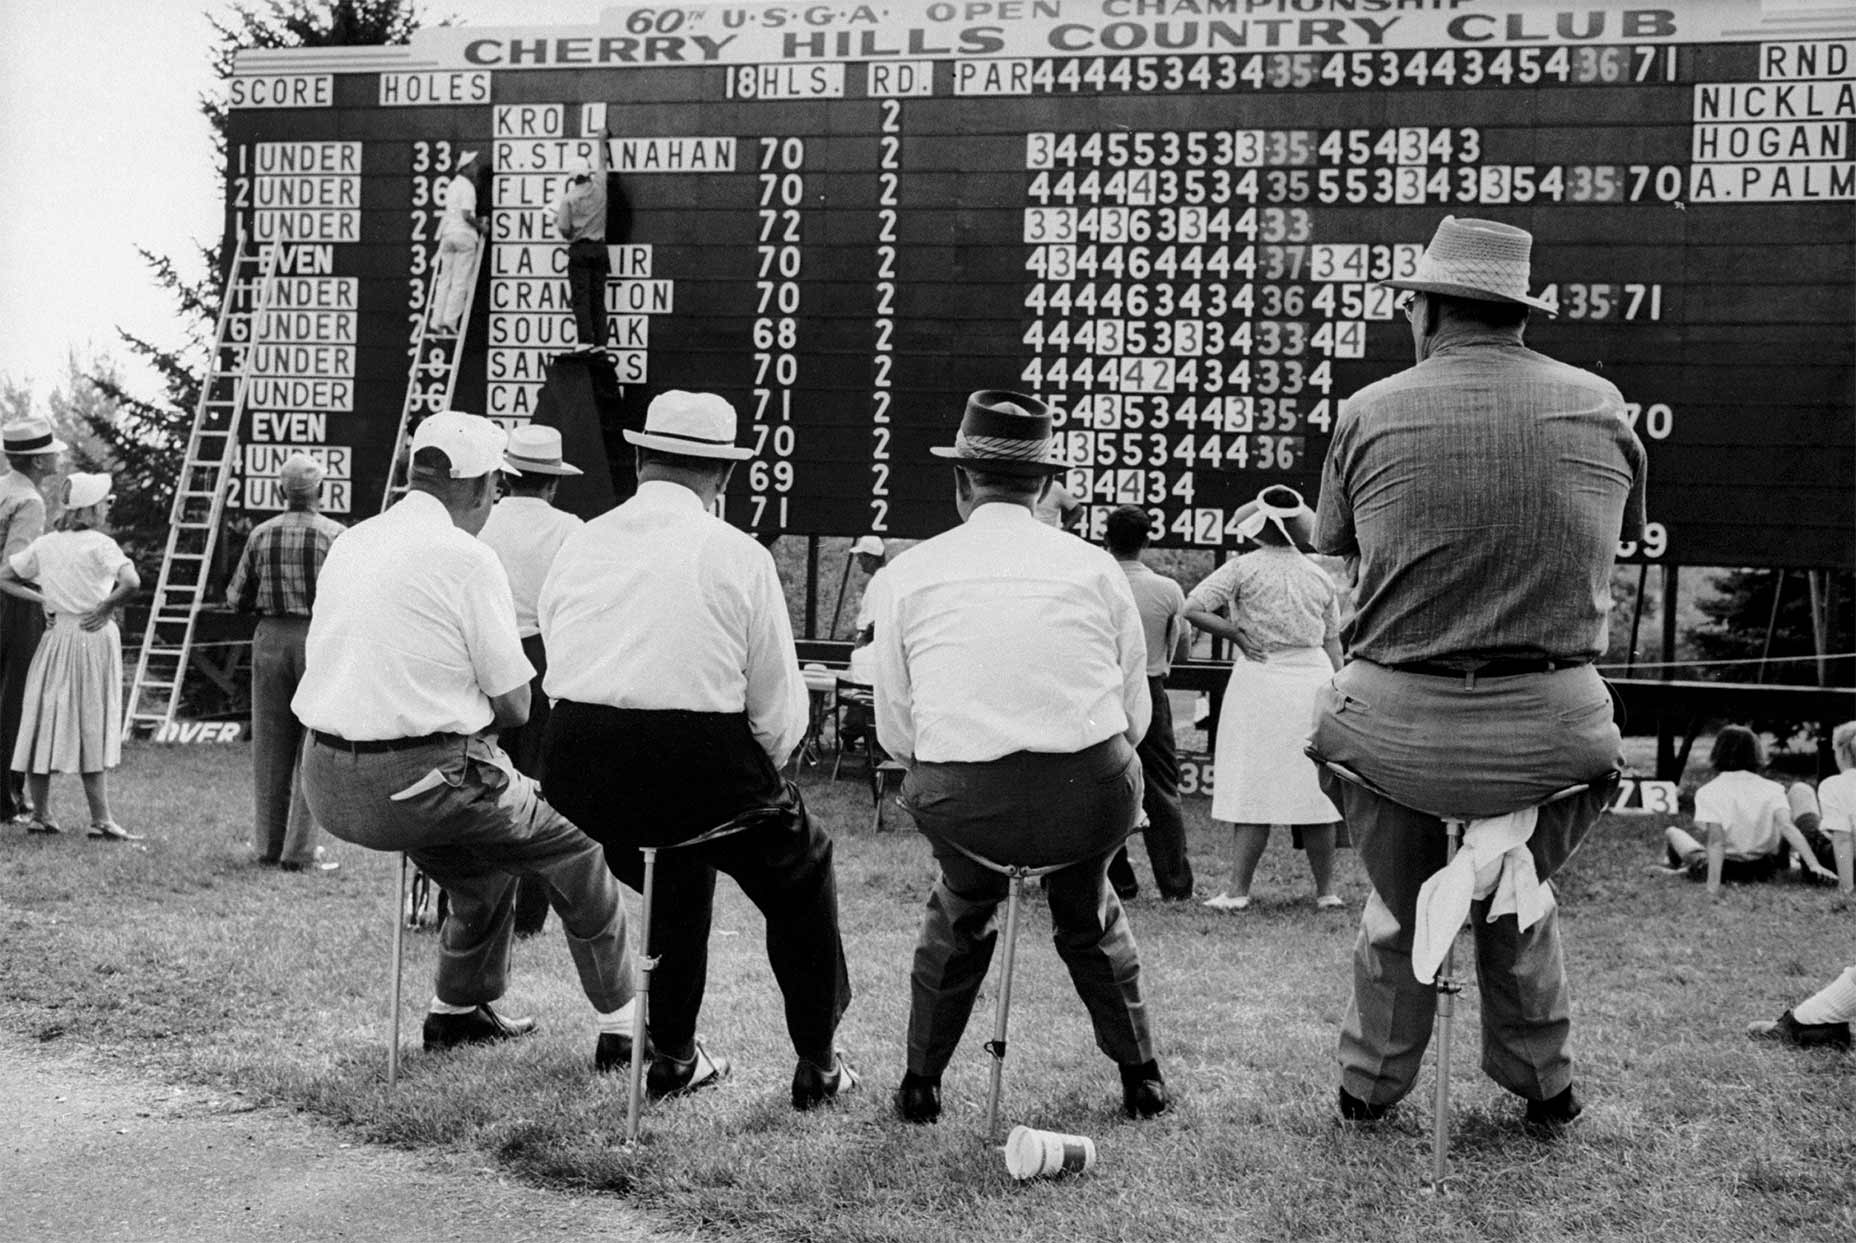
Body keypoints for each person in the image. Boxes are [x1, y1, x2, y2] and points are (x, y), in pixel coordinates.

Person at [1309, 215, 1646, 1129]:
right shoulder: (1601, 403)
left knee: (1400, 894)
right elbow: (1612, 537)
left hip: (1390, 729)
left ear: (1426, 312)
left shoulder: (1370, 408)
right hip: (1555, 729)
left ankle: (1368, 1084)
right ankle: (1548, 1083)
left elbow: (1332, 541)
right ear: (1519, 313)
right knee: (1518, 893)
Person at [539, 390, 855, 1111]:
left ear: (644, 459)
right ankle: (819, 1061)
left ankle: (675, 1054)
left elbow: (563, 653)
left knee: (673, 868)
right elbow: (779, 709)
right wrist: (756, 776)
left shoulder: (581, 540)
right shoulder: (736, 553)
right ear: (721, 477)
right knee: (803, 869)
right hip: (696, 756)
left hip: (578, 761)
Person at [293, 411, 636, 1065]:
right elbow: (514, 701)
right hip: (423, 780)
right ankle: (627, 1027)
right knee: (580, 842)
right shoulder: (468, 556)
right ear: (480, 487)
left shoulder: (354, 540)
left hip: (326, 779)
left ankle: (457, 1011)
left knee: (479, 872)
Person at [868, 390, 1168, 1124]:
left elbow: (896, 730)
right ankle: (1142, 1075)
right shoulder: (1097, 568)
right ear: (1042, 484)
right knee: (1090, 912)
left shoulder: (909, 571)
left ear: (962, 480)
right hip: (1087, 790)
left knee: (959, 908)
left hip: (963, 803)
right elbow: (1136, 715)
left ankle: (920, 1082)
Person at [1184, 486, 1344, 912]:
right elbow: (1332, 642)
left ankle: (1238, 890)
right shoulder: (1318, 574)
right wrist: (1338, 687)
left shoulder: (1242, 569)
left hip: (1261, 675)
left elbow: (1192, 607)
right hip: (1311, 678)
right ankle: (1326, 891)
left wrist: (1235, 633)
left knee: (1251, 783)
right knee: (1314, 787)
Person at [476, 424, 584, 937]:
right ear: (553, 482)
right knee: (540, 782)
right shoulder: (569, 529)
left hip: (485, 652)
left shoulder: (481, 523)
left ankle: (475, 898)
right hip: (545, 656)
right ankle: (530, 912)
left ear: (505, 475)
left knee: (479, 776)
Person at [0, 472, 140, 840]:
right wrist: (106, 606)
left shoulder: (46, 544)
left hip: (57, 635)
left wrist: (43, 599)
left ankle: (43, 814)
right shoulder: (101, 544)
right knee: (91, 718)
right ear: (91, 509)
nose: (108, 509)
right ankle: (101, 818)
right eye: (105, 503)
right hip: (91, 636)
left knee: (43, 716)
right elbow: (132, 582)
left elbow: (5, 576)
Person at [226, 453, 345, 873]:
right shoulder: (336, 535)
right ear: (321, 492)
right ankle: (300, 850)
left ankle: (267, 845)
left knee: (271, 748)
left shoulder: (261, 534)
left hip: (271, 637)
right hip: (318, 637)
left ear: (281, 491)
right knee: (314, 745)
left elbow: (236, 597)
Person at [1101, 504, 1195, 903]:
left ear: (1106, 538)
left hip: (1102, 693)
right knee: (1161, 788)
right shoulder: (1168, 589)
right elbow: (1185, 649)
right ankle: (1175, 885)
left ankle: (1116, 880)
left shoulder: (1095, 582)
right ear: (1147, 541)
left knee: (1101, 785)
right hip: (1151, 690)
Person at [1664, 725, 1839, 889]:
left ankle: (1674, 864)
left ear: (1717, 752)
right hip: (1764, 868)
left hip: (1726, 868)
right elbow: (1788, 828)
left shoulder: (1708, 791)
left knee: (1673, 832)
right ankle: (1680, 870)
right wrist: (1814, 864)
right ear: (1756, 753)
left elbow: (1716, 842)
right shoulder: (1773, 789)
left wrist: (1713, 885)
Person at [0, 416, 65, 824]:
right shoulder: (32, 501)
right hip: (13, 606)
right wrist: (47, 598)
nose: (59, 455)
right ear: (38, 462)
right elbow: (14, 569)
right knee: (16, 702)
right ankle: (7, 797)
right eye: (52, 452)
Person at [554, 134, 610, 354]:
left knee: (581, 297)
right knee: (598, 298)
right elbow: (603, 163)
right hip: (599, 249)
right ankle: (601, 343)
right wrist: (601, 140)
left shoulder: (568, 200)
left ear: (572, 177)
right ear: (587, 173)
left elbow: (565, 231)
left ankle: (585, 340)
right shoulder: (600, 187)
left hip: (580, 250)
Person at [428, 150, 485, 334]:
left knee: (444, 281)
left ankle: (435, 321)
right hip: (464, 237)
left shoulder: (452, 186)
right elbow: (467, 215)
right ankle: (450, 320)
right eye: (474, 165)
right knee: (460, 281)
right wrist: (482, 227)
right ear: (465, 168)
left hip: (448, 235)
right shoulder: (468, 187)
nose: (476, 169)